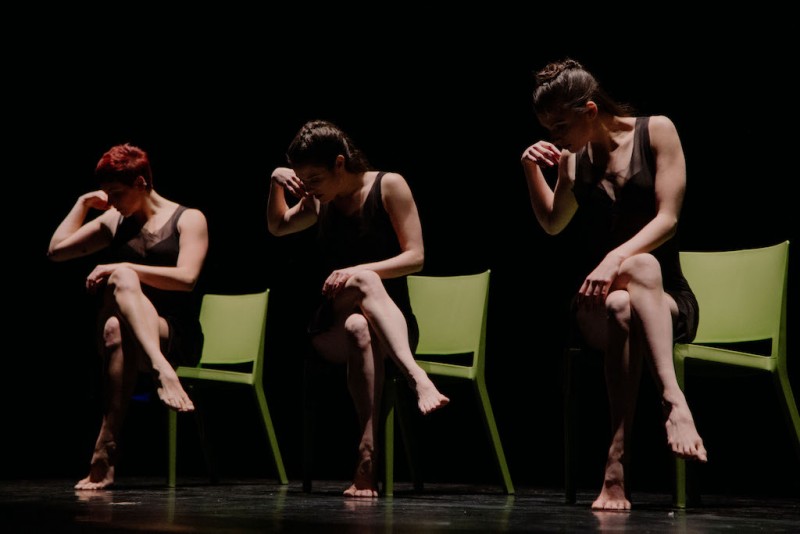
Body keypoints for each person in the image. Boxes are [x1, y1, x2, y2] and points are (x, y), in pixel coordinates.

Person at [520, 59, 707, 510]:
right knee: (622, 294)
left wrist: (616, 256)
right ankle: (673, 398)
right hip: (596, 303)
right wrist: (529, 168)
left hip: (665, 302)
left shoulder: (656, 131)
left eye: (561, 125)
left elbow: (669, 218)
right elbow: (551, 223)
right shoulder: (571, 160)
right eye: (548, 128)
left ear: (589, 110)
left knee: (637, 278)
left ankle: (616, 467)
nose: (555, 138)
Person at [267, 119, 449, 498]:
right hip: (327, 326)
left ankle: (366, 455)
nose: (310, 189)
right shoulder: (321, 201)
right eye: (305, 181)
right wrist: (275, 182)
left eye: (314, 178)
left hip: (389, 325)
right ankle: (415, 376)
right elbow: (278, 226)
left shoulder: (389, 186)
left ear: (339, 163)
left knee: (360, 325)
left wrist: (356, 270)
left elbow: (415, 257)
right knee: (362, 290)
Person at [48, 143, 209, 490]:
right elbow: (56, 251)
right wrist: (83, 204)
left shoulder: (189, 218)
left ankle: (105, 453)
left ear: (141, 182)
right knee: (115, 321)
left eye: (116, 193)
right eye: (106, 194)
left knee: (118, 297)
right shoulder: (113, 220)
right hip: (133, 341)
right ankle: (159, 371)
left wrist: (123, 266)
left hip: (173, 334)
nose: (112, 201)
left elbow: (187, 279)